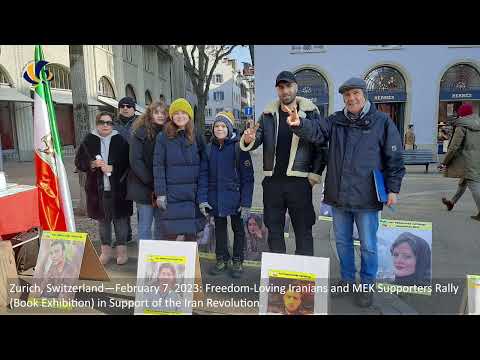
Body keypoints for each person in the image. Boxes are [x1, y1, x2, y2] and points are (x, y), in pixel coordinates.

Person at [288, 77, 405, 307]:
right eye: (347, 95)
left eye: (355, 94)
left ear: (364, 95)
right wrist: (299, 123)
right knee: (342, 242)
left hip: (368, 196)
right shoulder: (336, 120)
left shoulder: (381, 121)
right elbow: (317, 131)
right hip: (339, 195)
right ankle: (347, 281)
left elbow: (394, 157)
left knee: (369, 245)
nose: (351, 99)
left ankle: (366, 286)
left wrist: (393, 188)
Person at [240, 71, 327, 257]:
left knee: (303, 230)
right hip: (273, 182)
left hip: (300, 182)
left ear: (296, 87)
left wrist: (313, 176)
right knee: (274, 230)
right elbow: (257, 138)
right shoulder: (267, 114)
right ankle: (278, 278)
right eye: (281, 87)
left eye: (288, 86)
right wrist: (249, 140)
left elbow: (321, 144)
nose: (285, 91)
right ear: (277, 90)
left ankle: (303, 279)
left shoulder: (311, 113)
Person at [198, 111, 254, 278]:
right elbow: (203, 175)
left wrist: (246, 203)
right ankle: (221, 258)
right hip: (216, 198)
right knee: (220, 230)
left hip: (235, 198)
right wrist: (202, 199)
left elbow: (248, 178)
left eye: (223, 126)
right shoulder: (209, 149)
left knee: (238, 230)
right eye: (217, 126)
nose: (219, 129)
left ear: (229, 128)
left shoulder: (239, 148)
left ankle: (237, 260)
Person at [75, 111, 132, 265]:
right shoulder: (88, 140)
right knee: (103, 222)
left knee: (120, 221)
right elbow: (79, 162)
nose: (105, 125)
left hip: (119, 189)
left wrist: (111, 168)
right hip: (97, 190)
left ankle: (122, 251)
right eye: (102, 122)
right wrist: (92, 164)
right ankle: (105, 251)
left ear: (113, 124)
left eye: (109, 122)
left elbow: (128, 164)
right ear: (97, 123)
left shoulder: (121, 140)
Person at [153, 98, 207, 240]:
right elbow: (158, 166)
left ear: (189, 115)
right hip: (172, 195)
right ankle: (167, 262)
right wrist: (161, 193)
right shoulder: (162, 137)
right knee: (170, 234)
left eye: (184, 113)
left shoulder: (197, 136)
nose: (180, 116)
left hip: (192, 194)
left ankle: (191, 263)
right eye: (176, 113)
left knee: (191, 235)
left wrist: (202, 194)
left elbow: (204, 166)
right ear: (171, 116)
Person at [127, 101, 168, 241]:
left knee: (161, 226)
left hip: (162, 187)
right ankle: (145, 260)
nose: (160, 116)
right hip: (144, 187)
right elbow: (135, 160)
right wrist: (151, 181)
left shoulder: (168, 132)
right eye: (157, 112)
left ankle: (159, 258)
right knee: (145, 226)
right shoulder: (140, 132)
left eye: (163, 113)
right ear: (150, 114)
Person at [440, 103, 480, 221]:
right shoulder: (478, 123)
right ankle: (452, 202)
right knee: (463, 182)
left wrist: (445, 162)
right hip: (477, 159)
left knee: (474, 185)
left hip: (468, 161)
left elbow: (454, 147)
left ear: (462, 114)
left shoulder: (462, 126)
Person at [114, 96, 137, 244]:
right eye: (123, 106)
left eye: (129, 106)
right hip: (119, 170)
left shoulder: (141, 123)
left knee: (144, 206)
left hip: (137, 167)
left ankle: (145, 238)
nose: (126, 108)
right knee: (122, 205)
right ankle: (124, 236)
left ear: (134, 108)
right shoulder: (112, 124)